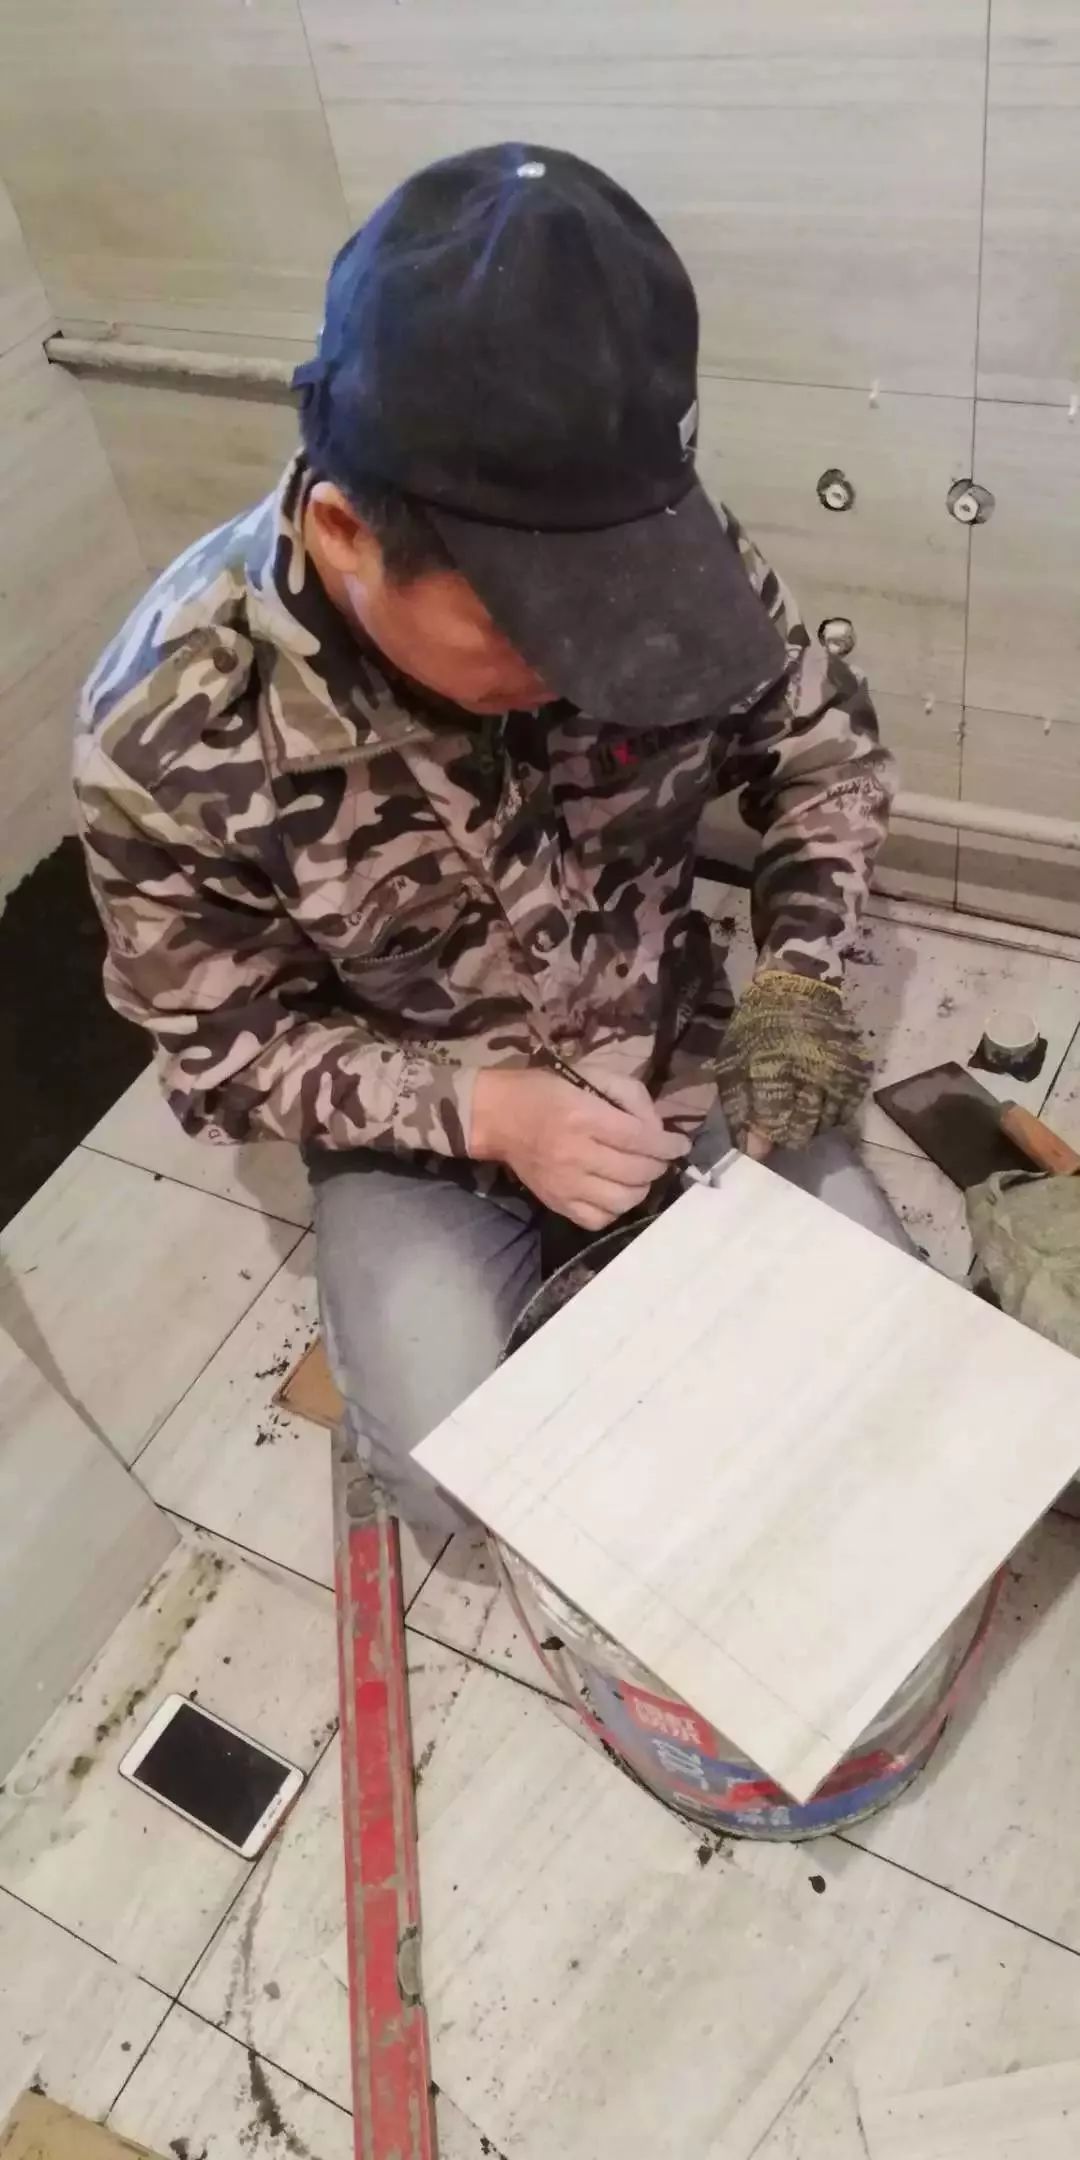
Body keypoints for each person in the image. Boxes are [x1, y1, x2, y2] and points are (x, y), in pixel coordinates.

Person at [75, 143, 914, 1541]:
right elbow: (223, 1050)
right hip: (424, 1114)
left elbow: (822, 754)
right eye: (536, 628)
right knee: (460, 1496)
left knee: (871, 1339)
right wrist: (488, 1114)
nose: (594, 662)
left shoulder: (660, 562)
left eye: (615, 605)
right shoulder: (171, 729)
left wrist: (798, 978)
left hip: (679, 1038)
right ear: (347, 532)